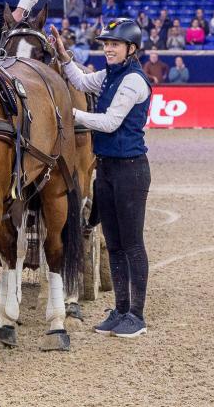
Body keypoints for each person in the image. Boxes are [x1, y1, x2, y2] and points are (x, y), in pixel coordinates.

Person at [49, 18, 152, 339]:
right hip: (107, 168)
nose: (108, 48)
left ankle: (137, 314)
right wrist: (64, 57)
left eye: (115, 44)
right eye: (106, 44)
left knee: (132, 244)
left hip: (130, 170)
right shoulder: (109, 75)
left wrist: (70, 114)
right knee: (116, 244)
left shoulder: (134, 81)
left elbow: (109, 122)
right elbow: (79, 81)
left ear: (131, 49)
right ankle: (120, 309)